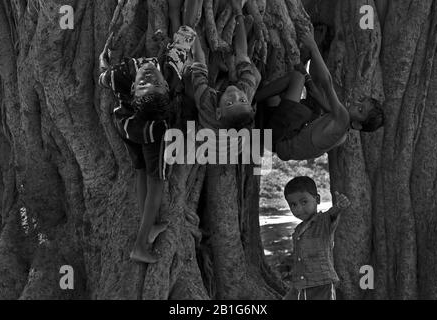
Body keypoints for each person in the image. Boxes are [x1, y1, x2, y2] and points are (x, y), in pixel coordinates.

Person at [98, 0, 201, 264]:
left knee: (142, 171)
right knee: (157, 180)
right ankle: (140, 245)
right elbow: (187, 31)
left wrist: (104, 62)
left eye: (151, 81)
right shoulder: (169, 69)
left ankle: (150, 227)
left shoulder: (123, 74)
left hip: (130, 126)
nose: (149, 75)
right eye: (147, 82)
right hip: (141, 127)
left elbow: (103, 75)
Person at [255, 29, 385, 161]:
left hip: (281, 140)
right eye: (360, 101)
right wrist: (307, 76)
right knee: (273, 91)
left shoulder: (343, 118)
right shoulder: (342, 133)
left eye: (360, 110)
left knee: (297, 78)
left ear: (357, 125)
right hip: (277, 144)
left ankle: (252, 99)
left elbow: (327, 83)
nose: (356, 104)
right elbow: (316, 94)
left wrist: (313, 46)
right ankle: (259, 126)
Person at [189, 0, 261, 132]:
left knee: (189, 85)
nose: (235, 95)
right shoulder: (246, 93)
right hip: (237, 142)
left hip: (208, 145)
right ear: (250, 105)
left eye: (229, 103)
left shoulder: (206, 103)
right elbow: (242, 54)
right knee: (255, 76)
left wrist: (189, 27)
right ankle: (233, 74)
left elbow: (198, 59)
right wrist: (238, 12)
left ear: (218, 113)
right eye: (242, 100)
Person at [282, 176, 351, 300]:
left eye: (304, 202)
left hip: (322, 283)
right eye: (293, 204)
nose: (298, 208)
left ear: (317, 199)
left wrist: (339, 206)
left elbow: (332, 214)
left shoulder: (323, 221)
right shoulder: (298, 230)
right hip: (301, 284)